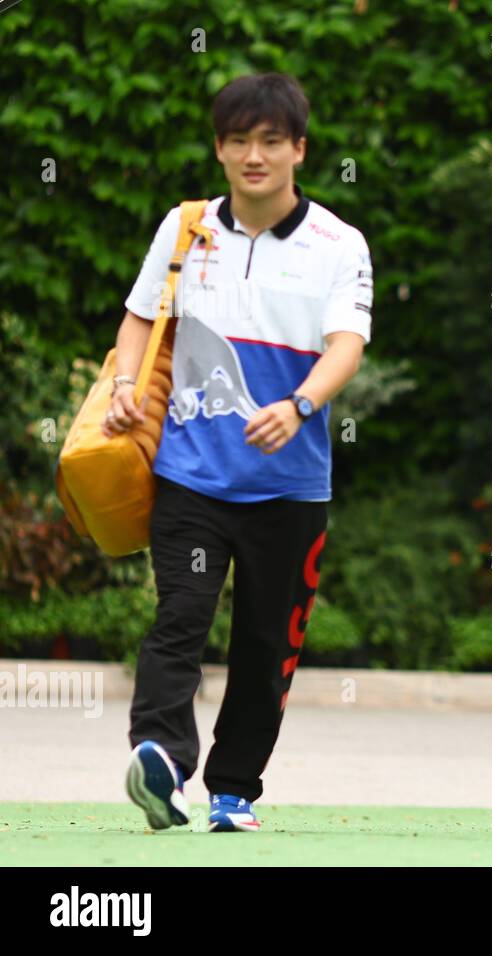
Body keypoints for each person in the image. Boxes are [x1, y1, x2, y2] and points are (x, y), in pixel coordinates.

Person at [107, 73, 373, 832]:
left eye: (269, 141)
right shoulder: (185, 229)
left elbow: (346, 344)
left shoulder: (337, 244)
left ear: (299, 149)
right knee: (179, 619)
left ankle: (234, 790)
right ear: (220, 148)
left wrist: (300, 406)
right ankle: (160, 758)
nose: (252, 156)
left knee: (267, 643)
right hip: (190, 475)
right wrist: (127, 382)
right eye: (236, 140)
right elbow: (137, 318)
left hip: (291, 489)